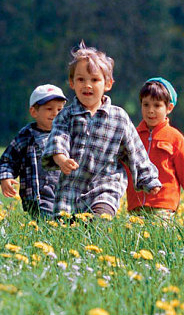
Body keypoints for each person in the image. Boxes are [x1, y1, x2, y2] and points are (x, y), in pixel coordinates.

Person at [42, 41, 161, 217]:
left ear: (108, 84)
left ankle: (100, 225)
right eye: (81, 79)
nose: (87, 85)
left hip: (106, 184)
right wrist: (61, 159)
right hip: (72, 186)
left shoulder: (119, 117)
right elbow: (58, 137)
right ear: (72, 83)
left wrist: (148, 179)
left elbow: (135, 151)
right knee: (64, 228)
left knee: (100, 220)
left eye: (95, 80)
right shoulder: (66, 116)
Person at [0, 84, 67, 218]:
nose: (55, 113)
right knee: (47, 225)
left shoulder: (67, 135)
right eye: (49, 109)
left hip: (66, 194)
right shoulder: (26, 137)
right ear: (34, 112)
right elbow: (8, 161)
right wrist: (6, 177)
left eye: (60, 109)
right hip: (37, 197)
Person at [126, 77, 184, 215]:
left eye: (157, 106)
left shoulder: (175, 138)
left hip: (163, 206)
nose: (150, 110)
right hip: (136, 206)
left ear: (169, 108)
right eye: (146, 105)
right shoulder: (132, 136)